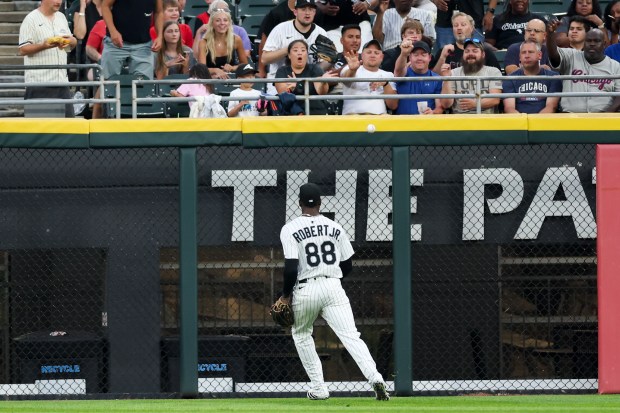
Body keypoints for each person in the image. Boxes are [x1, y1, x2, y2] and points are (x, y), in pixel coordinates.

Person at [277, 182, 390, 401]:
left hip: (306, 287)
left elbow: (291, 267)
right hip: (333, 286)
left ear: (300, 203)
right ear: (320, 203)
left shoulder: (290, 228)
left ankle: (319, 388)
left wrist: (285, 295)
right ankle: (376, 378)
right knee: (351, 336)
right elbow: (347, 265)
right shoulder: (335, 227)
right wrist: (330, 279)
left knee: (301, 334)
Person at [19, 0, 78, 117]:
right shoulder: (30, 19)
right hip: (39, 84)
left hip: (62, 83)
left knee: (69, 128)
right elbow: (23, 49)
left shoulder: (61, 17)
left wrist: (71, 41)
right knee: (41, 131)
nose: (58, 1)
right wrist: (43, 45)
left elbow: (73, 41)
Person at [547, 23, 620, 112]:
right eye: (588, 41)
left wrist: (605, 115)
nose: (592, 44)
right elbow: (554, 55)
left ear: (604, 44)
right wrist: (550, 34)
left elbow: (619, 96)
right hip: (571, 117)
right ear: (584, 43)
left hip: (602, 119)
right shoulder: (571, 56)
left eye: (596, 41)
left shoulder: (615, 66)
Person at [262, 0, 328, 95]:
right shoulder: (280, 29)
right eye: (303, 9)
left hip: (309, 83)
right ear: (295, 12)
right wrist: (287, 50)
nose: (307, 13)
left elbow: (327, 61)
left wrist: (316, 70)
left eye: (311, 9)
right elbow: (264, 59)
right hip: (281, 81)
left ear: (315, 12)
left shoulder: (321, 33)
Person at [101, 0, 163, 80]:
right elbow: (105, 6)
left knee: (144, 85)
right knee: (106, 84)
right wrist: (113, 31)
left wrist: (160, 36)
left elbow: (159, 12)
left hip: (143, 44)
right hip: (115, 43)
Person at [274, 39, 338, 115]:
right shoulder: (282, 71)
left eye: (303, 50)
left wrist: (323, 82)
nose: (299, 53)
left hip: (316, 113)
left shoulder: (315, 68)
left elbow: (321, 92)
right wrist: (294, 88)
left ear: (307, 54)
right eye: (295, 50)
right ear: (289, 55)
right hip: (293, 115)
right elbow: (282, 92)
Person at [440, 38, 503, 113]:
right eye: (467, 51)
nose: (470, 54)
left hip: (486, 120)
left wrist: (475, 104)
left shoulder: (493, 72)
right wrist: (447, 79)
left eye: (475, 51)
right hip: (460, 120)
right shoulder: (453, 73)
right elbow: (446, 104)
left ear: (483, 54)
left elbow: (495, 100)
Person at [502, 40, 562, 113]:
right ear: (520, 57)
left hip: (544, 121)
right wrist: (524, 122)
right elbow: (509, 108)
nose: (527, 56)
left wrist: (535, 122)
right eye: (523, 52)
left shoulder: (553, 77)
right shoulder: (510, 79)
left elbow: (551, 106)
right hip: (520, 122)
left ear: (539, 55)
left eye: (530, 52)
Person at [340, 39, 398, 115]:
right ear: (362, 55)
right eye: (369, 52)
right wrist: (352, 70)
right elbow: (346, 80)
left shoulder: (388, 75)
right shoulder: (349, 68)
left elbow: (393, 105)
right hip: (353, 117)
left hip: (379, 118)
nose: (372, 55)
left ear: (382, 57)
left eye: (376, 53)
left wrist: (386, 84)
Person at [431, 12, 501, 73]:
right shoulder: (445, 51)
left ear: (472, 29)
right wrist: (443, 57)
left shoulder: (484, 51)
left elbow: (497, 76)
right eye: (455, 25)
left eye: (463, 24)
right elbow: (434, 79)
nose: (459, 28)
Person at [394, 40, 443, 114]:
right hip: (403, 123)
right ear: (410, 57)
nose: (419, 58)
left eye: (423, 55)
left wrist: (433, 112)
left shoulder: (437, 79)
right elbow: (398, 70)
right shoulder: (404, 73)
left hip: (426, 124)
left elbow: (439, 108)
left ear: (429, 58)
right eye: (416, 55)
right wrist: (403, 54)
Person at [196, 8, 247, 79]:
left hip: (230, 79)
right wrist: (216, 70)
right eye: (218, 20)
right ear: (212, 23)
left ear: (229, 23)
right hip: (210, 80)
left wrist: (232, 68)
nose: (222, 23)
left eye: (225, 20)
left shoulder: (236, 39)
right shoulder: (203, 42)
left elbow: (245, 65)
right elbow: (201, 69)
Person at [372, 0, 436, 50]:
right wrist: (380, 13)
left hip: (416, 51)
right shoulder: (384, 14)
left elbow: (430, 41)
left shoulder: (425, 14)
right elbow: (378, 39)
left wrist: (417, 36)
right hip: (391, 53)